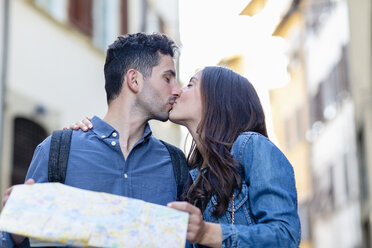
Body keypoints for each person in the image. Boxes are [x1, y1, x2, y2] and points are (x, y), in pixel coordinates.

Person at [71, 66, 301, 247]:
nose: (178, 90)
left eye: (190, 84)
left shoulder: (251, 146)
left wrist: (206, 232)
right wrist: (88, 136)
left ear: (219, 98)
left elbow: (286, 235)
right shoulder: (187, 173)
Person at [1, 32, 185, 248]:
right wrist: (13, 233)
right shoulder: (58, 150)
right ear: (134, 80)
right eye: (167, 78)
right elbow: (18, 240)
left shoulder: (175, 163)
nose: (177, 90)